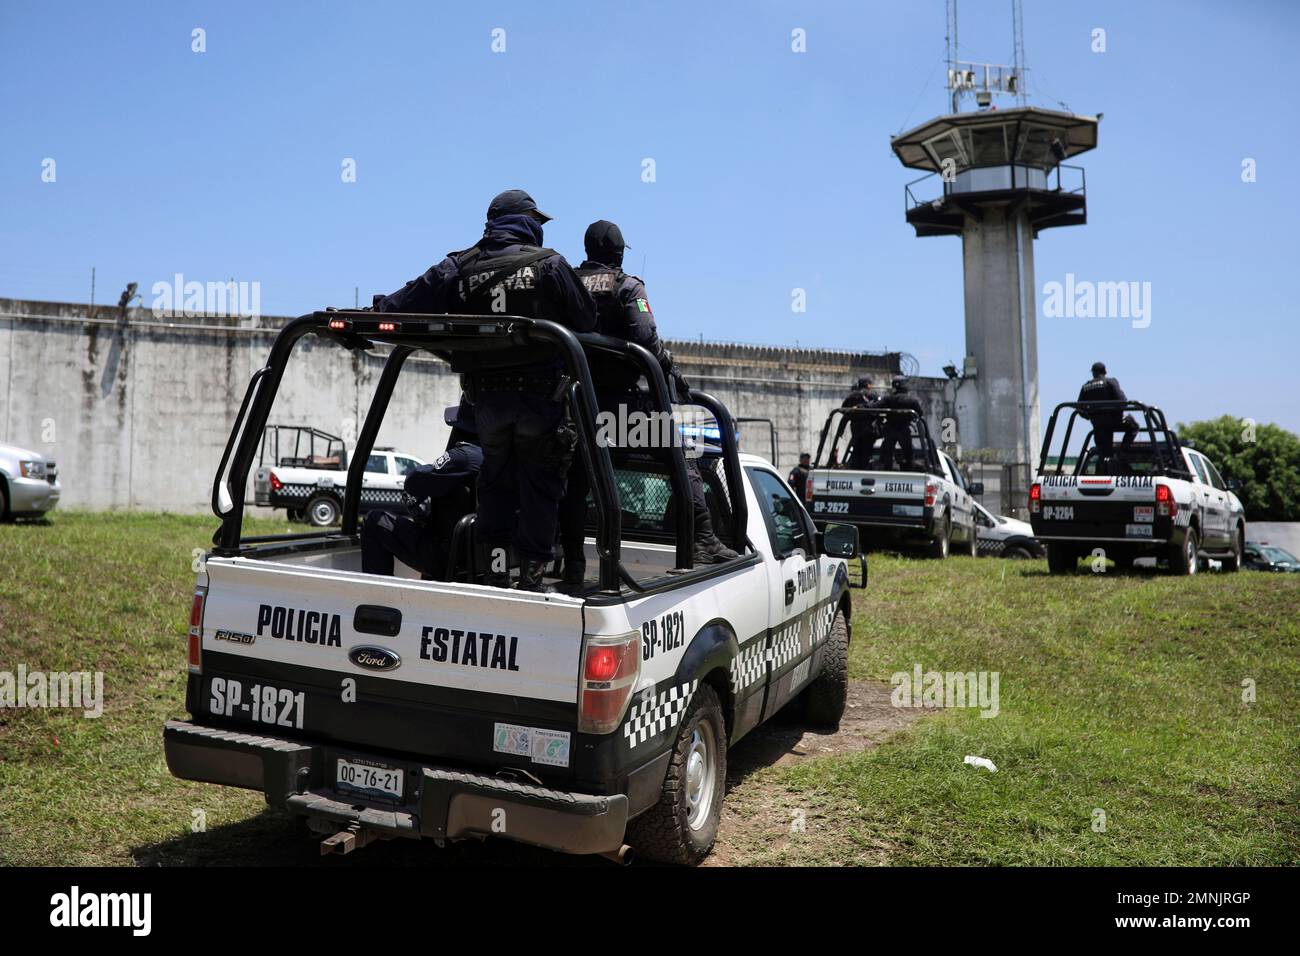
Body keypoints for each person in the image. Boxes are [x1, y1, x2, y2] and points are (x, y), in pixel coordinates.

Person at [374, 189, 597, 591]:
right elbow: (586, 316)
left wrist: (378, 311)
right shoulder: (550, 265)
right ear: (525, 221)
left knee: (494, 481)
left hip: (487, 402)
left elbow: (411, 298)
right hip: (540, 398)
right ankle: (530, 578)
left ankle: (494, 571)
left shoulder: (459, 266)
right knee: (539, 484)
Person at [557, 219, 737, 592]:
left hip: (576, 405)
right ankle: (700, 540)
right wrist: (667, 364)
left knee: (574, 480)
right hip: (619, 410)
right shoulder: (628, 285)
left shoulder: (566, 283)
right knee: (680, 456)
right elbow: (645, 338)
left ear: (588, 250)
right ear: (620, 253)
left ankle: (572, 562)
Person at [361, 403, 482, 580]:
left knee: (374, 521)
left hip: (451, 556)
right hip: (481, 555)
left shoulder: (466, 456)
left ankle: (378, 600)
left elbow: (414, 482)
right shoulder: (502, 455)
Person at [1077, 362, 1137, 465]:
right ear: (1105, 372)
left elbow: (1079, 408)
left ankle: (1102, 471)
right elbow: (1123, 401)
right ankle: (1122, 452)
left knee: (1104, 454)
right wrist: (1117, 413)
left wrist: (1089, 416)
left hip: (1098, 426)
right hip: (1114, 422)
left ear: (1093, 373)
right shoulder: (1111, 382)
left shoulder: (1086, 386)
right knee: (1134, 426)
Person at [877, 377, 924, 471]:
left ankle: (887, 469)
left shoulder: (888, 399)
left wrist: (861, 407)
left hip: (890, 429)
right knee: (909, 454)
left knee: (887, 452)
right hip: (903, 430)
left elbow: (876, 406)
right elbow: (920, 413)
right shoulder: (911, 400)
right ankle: (909, 470)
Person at [841, 376, 880, 469]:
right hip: (869, 429)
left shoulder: (852, 396)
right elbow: (879, 407)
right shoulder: (873, 394)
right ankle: (864, 468)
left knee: (857, 449)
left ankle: (856, 468)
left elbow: (844, 409)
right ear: (867, 384)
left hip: (856, 429)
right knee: (866, 451)